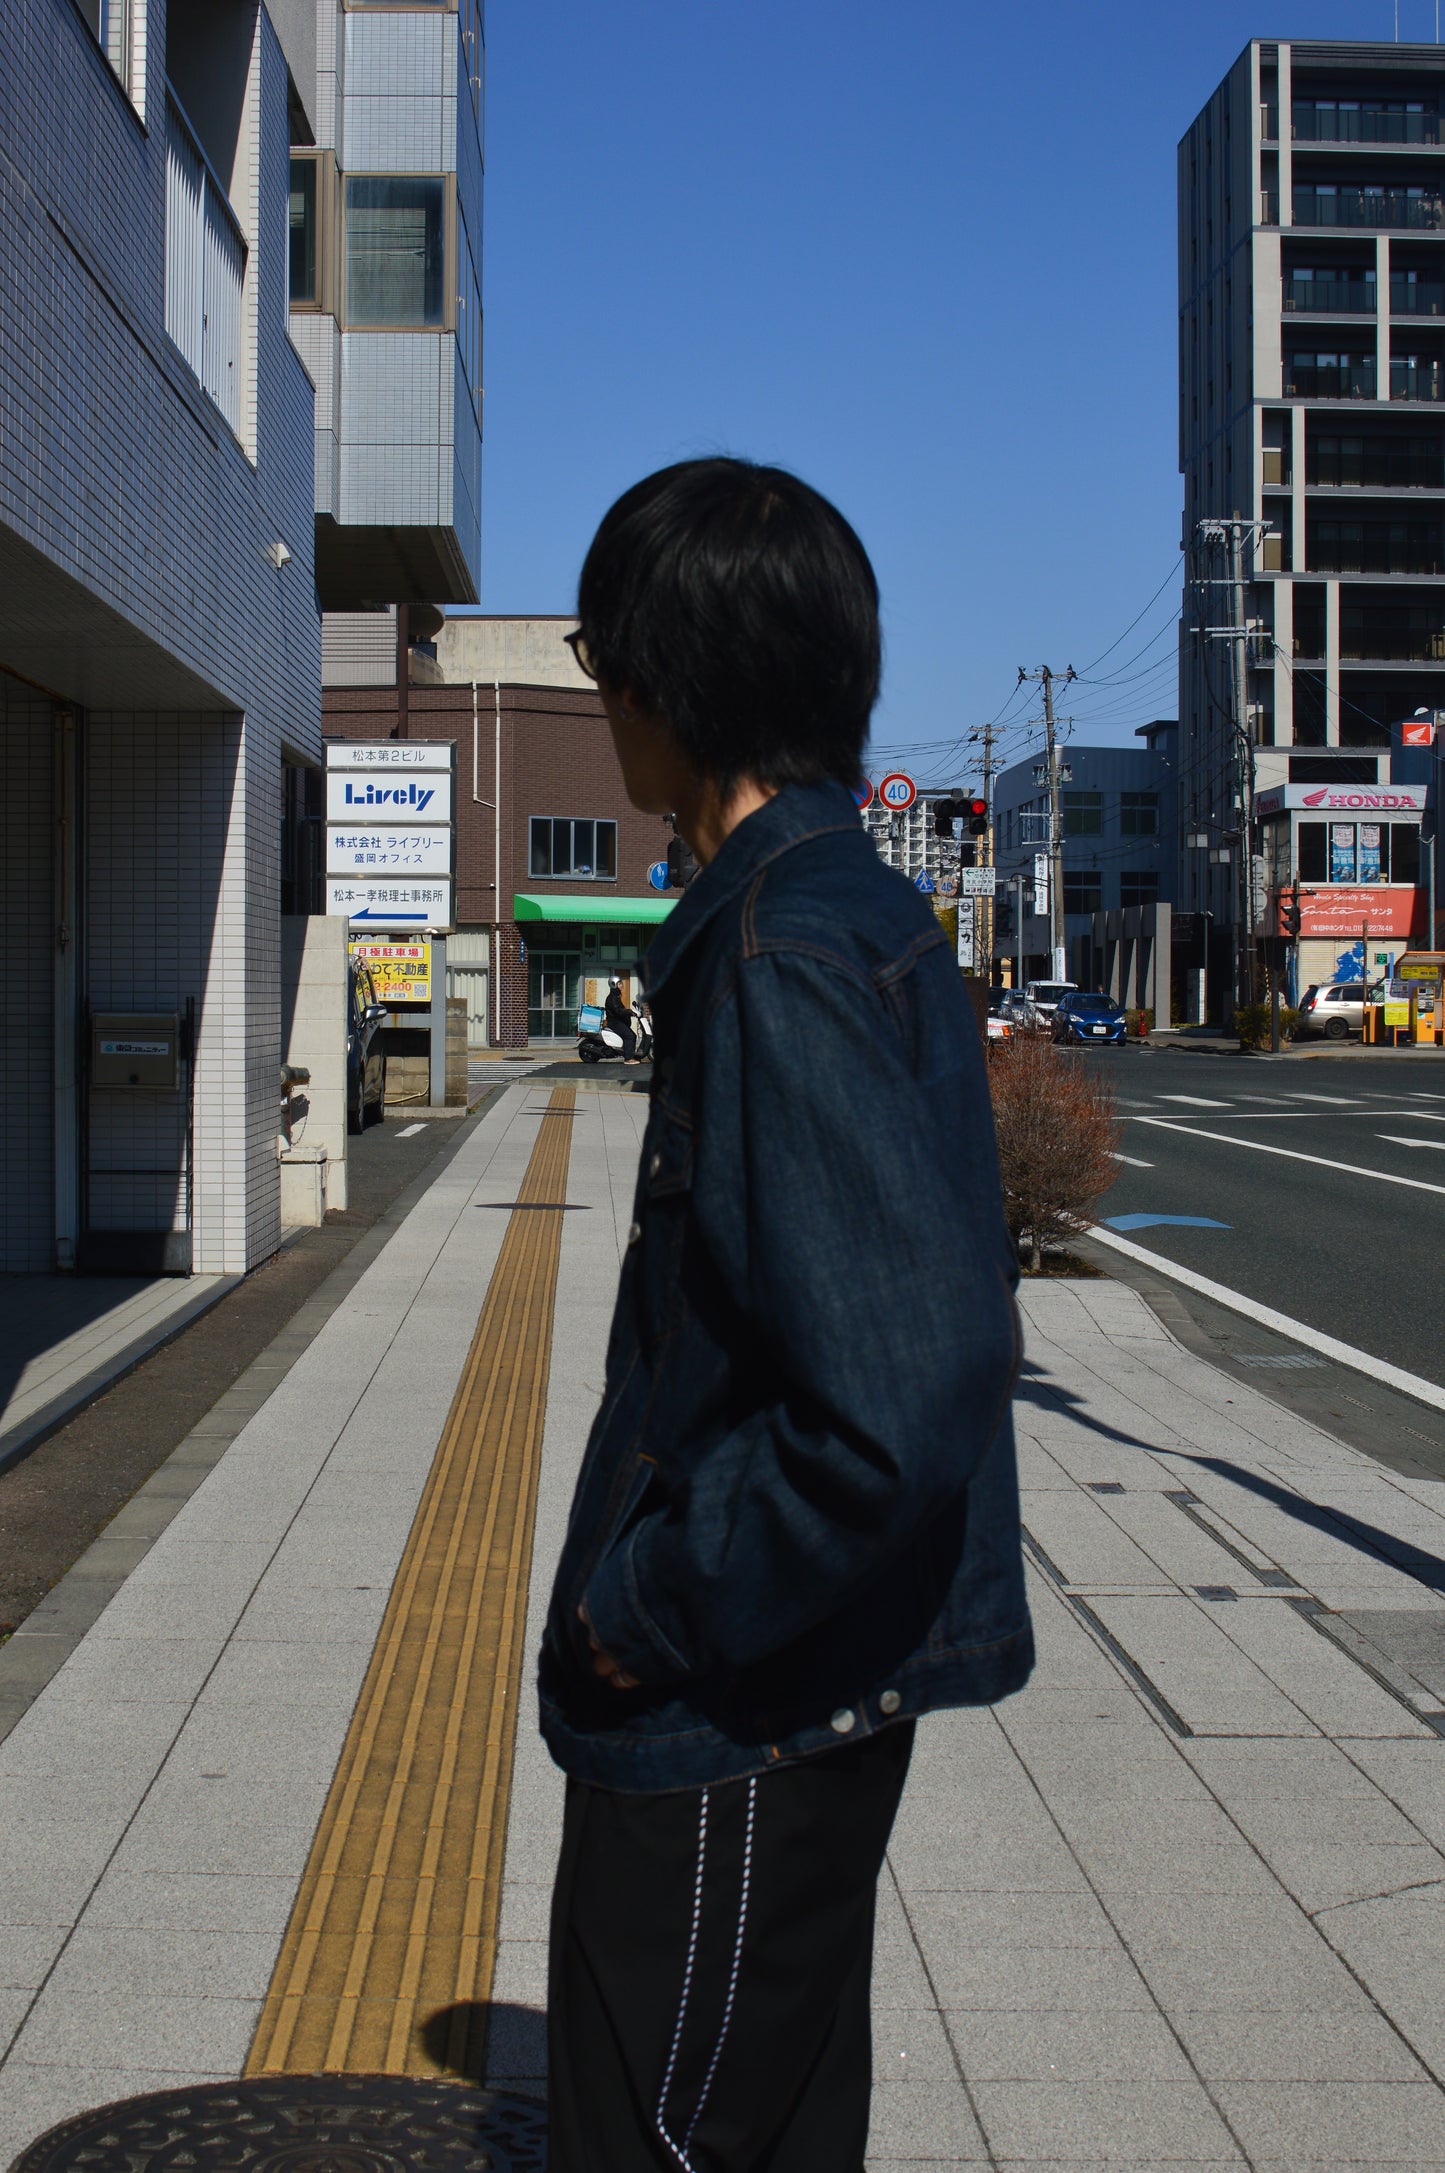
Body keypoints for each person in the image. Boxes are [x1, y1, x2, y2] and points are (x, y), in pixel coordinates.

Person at [542, 458, 1032, 2173]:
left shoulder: (778, 952)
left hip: (734, 1703)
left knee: (662, 2134)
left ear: (669, 683)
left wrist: (652, 1602)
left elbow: (902, 1382)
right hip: (808, 1683)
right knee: (777, 2117)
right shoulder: (848, 914)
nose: (603, 698)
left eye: (605, 656)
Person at [603, 972, 638, 1062]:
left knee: (633, 1035)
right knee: (629, 1036)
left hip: (618, 1021)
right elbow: (618, 1010)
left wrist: (631, 1012)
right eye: (619, 983)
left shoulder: (616, 996)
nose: (622, 985)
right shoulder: (612, 998)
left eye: (621, 983)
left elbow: (620, 1010)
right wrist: (630, 1012)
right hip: (614, 1022)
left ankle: (631, 1054)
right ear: (613, 985)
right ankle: (628, 1058)